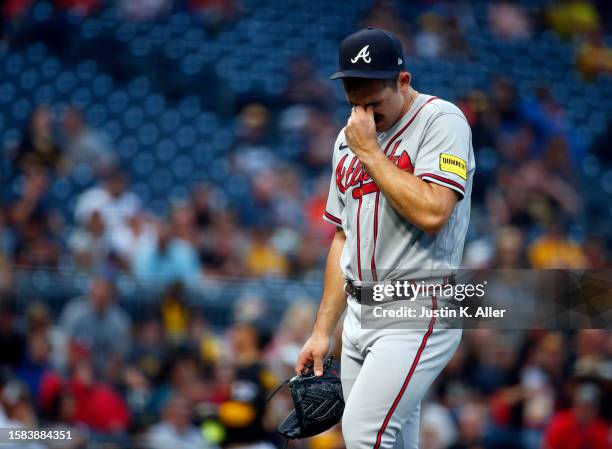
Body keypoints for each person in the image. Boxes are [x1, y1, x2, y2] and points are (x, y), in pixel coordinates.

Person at [295, 28, 475, 449]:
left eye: (374, 103)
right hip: (359, 313)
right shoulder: (348, 139)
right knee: (392, 440)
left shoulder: (441, 120)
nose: (364, 116)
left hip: (419, 304)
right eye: (355, 104)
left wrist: (371, 153)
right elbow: (343, 238)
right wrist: (323, 330)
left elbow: (433, 212)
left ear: (403, 81)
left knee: (364, 434)